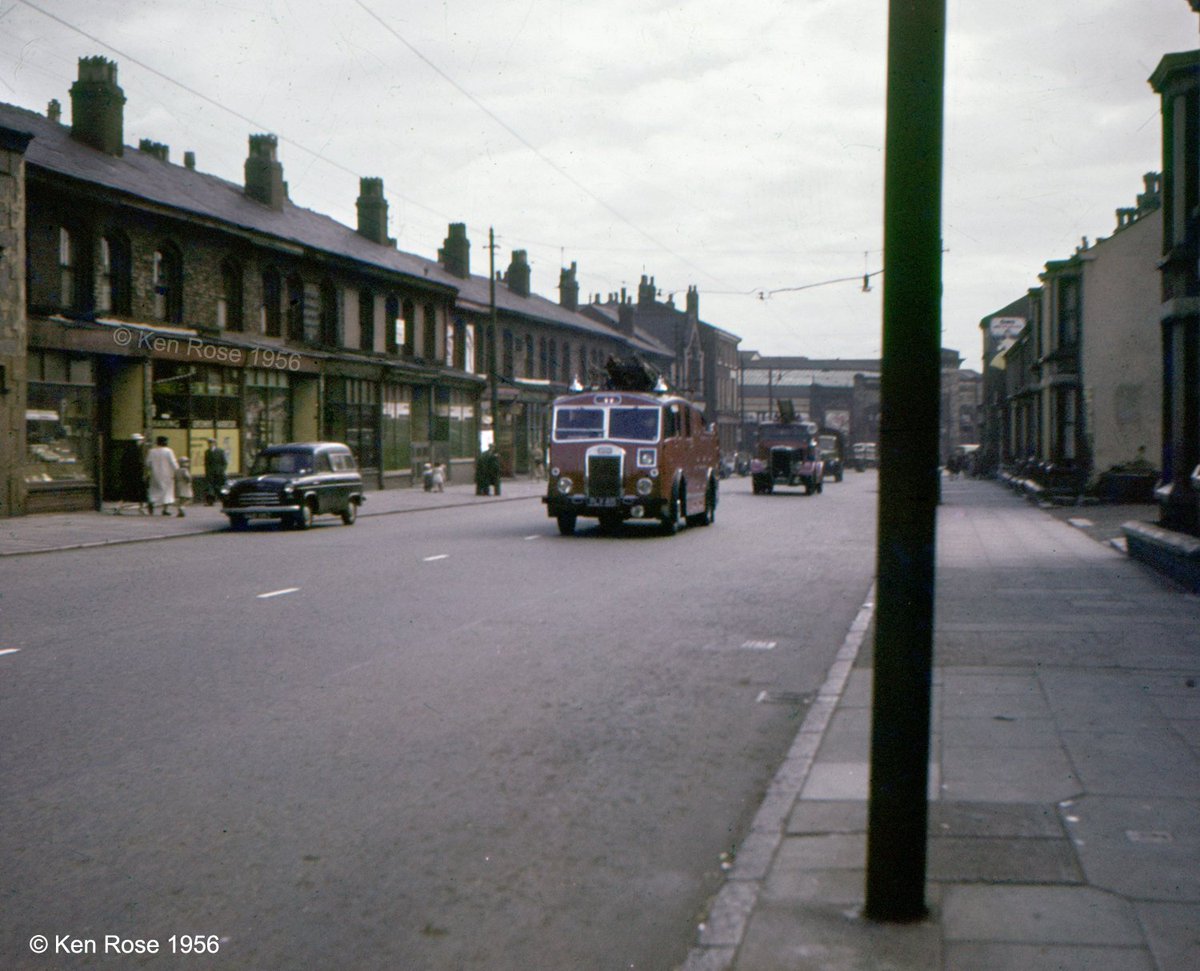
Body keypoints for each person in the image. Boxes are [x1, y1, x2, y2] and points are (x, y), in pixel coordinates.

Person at [145, 436, 179, 516]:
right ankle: (165, 509)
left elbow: (147, 463)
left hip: (155, 475)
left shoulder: (152, 451)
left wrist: (150, 470)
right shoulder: (168, 451)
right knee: (167, 492)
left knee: (154, 490)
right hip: (167, 475)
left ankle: (151, 502)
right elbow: (173, 462)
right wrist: (177, 471)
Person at [203, 438, 227, 505]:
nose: (210, 444)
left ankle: (222, 500)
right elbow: (206, 463)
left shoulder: (220, 451)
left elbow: (224, 462)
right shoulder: (207, 452)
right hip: (210, 473)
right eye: (209, 443)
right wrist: (206, 471)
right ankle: (210, 501)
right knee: (210, 487)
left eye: (211, 443)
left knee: (218, 487)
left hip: (219, 473)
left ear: (214, 444)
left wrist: (222, 470)